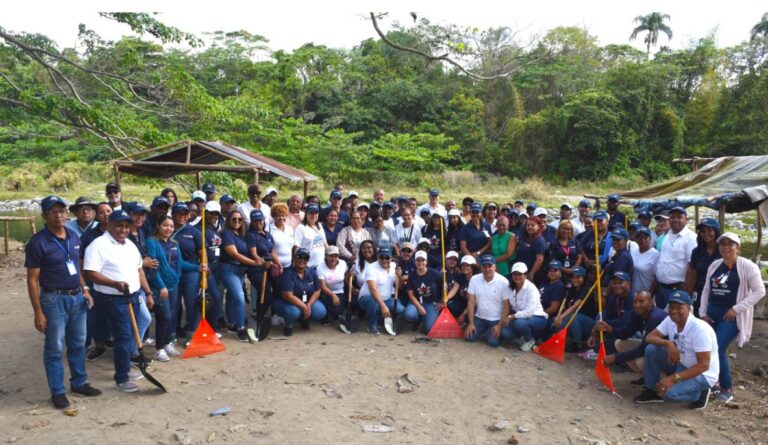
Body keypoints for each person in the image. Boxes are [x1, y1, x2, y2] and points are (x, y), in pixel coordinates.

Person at [25, 195, 102, 409]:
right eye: (53, 211)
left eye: (62, 210)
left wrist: (85, 289)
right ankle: (57, 391)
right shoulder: (37, 242)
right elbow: (32, 280)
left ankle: (78, 382)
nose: (59, 215)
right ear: (44, 216)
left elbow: (76, 267)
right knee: (54, 347)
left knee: (78, 343)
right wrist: (38, 312)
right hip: (53, 299)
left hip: (76, 296)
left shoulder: (73, 236)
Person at [83, 209, 154, 393]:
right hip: (112, 298)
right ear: (109, 225)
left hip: (133, 295)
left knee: (130, 334)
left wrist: (147, 292)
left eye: (126, 226)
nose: (123, 229)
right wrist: (114, 283)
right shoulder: (98, 245)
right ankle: (121, 378)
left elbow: (139, 270)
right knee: (123, 337)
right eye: (118, 225)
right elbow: (90, 272)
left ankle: (125, 368)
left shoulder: (130, 245)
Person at [699, 232, 765, 403]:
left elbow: (759, 291)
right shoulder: (715, 265)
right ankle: (712, 382)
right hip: (712, 313)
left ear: (738, 248)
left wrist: (737, 308)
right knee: (707, 347)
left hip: (731, 316)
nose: (726, 247)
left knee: (718, 348)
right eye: (723, 244)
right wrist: (703, 313)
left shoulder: (748, 267)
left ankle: (726, 388)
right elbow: (707, 290)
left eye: (730, 244)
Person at [634, 291, 719, 410]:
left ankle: (700, 392)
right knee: (652, 349)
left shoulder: (700, 329)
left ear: (689, 308)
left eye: (679, 307)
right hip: (682, 364)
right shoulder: (670, 320)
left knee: (668, 394)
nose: (674, 311)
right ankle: (652, 391)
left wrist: (672, 379)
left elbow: (704, 365)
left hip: (702, 374)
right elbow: (649, 337)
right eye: (672, 307)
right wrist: (668, 343)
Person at [145, 216, 205, 361]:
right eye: (165, 225)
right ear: (158, 225)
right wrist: (161, 286)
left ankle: (166, 344)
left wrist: (197, 267)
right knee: (164, 316)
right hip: (160, 286)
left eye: (171, 226)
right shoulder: (151, 242)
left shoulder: (174, 243)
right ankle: (159, 349)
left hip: (174, 285)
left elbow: (181, 263)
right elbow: (154, 267)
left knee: (171, 315)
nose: (169, 229)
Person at [596, 290, 666, 377]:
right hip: (648, 349)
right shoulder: (637, 313)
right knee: (619, 344)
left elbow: (642, 350)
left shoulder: (656, 317)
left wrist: (615, 357)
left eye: (641, 301)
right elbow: (625, 333)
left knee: (640, 361)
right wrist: (609, 329)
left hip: (665, 356)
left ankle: (661, 380)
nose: (637, 305)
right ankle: (647, 378)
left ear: (651, 302)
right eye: (634, 302)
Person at [219, 210, 259, 341]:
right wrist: (253, 262)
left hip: (239, 270)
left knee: (232, 298)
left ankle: (232, 323)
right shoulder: (226, 233)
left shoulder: (241, 235)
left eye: (239, 219)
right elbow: (234, 254)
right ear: (228, 220)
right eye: (234, 219)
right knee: (239, 297)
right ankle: (241, 329)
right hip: (228, 268)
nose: (237, 222)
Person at [80, 202, 112, 360]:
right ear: (96, 216)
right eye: (101, 212)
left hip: (115, 279)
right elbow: (81, 260)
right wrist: (84, 284)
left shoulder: (120, 231)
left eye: (108, 211)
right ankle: (99, 344)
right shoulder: (90, 235)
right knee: (95, 313)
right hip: (94, 278)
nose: (106, 214)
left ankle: (110, 340)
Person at [169, 202, 203, 340]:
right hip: (171, 272)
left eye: (185, 213)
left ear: (188, 215)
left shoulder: (194, 231)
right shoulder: (167, 229)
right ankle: (171, 333)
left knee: (191, 303)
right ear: (173, 214)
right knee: (173, 305)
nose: (182, 216)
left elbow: (202, 253)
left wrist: (204, 270)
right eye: (179, 213)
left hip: (191, 272)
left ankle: (192, 331)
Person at [652, 207, 697, 309]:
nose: (675, 220)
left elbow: (692, 269)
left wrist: (686, 296)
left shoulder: (691, 238)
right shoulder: (667, 236)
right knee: (662, 322)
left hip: (677, 291)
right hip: (661, 289)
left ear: (686, 219)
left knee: (675, 322)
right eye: (672, 217)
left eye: (679, 217)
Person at [274, 248, 327, 336]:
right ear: (294, 258)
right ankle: (288, 325)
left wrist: (309, 304)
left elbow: (318, 290)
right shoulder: (288, 274)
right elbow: (288, 296)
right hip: (287, 302)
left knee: (320, 312)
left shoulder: (312, 272)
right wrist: (304, 307)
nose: (302, 260)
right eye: (299, 257)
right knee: (294, 312)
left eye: (305, 258)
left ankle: (303, 319)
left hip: (305, 300)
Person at [464, 254, 510, 347]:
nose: (487, 269)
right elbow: (471, 302)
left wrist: (499, 325)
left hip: (496, 319)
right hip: (479, 317)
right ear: (480, 267)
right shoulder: (474, 279)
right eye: (484, 266)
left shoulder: (504, 282)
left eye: (490, 266)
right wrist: (471, 323)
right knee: (469, 337)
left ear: (495, 267)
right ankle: (484, 331)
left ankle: (491, 332)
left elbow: (507, 306)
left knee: (492, 342)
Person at [500, 262, 548, 351]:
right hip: (519, 317)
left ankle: (530, 340)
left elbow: (529, 312)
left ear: (525, 274)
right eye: (515, 274)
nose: (517, 276)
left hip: (537, 317)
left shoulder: (531, 289)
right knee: (505, 333)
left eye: (520, 274)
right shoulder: (510, 287)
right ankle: (524, 336)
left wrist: (510, 317)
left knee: (519, 323)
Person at [358, 246, 403, 335]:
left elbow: (400, 287)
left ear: (391, 258)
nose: (384, 260)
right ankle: (372, 325)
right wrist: (383, 306)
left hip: (387, 298)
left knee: (401, 310)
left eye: (387, 257)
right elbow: (372, 289)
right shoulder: (371, 268)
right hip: (368, 298)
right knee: (372, 302)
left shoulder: (394, 266)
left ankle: (379, 318)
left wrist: (399, 276)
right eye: (381, 257)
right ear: (378, 257)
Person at [552, 267, 596, 353]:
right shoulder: (571, 288)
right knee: (556, 324)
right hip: (574, 320)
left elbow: (576, 306)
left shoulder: (587, 289)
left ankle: (577, 344)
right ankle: (557, 341)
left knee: (572, 317)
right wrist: (558, 318)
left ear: (584, 277)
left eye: (578, 277)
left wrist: (561, 316)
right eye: (573, 277)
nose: (575, 279)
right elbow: (566, 305)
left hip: (588, 323)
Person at [684, 218, 721, 316]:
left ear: (716, 232)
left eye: (709, 230)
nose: (706, 234)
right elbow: (692, 277)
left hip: (718, 293)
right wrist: (687, 298)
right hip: (699, 292)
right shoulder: (697, 251)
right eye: (703, 231)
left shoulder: (723, 250)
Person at [246, 210, 279, 315]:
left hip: (269, 268)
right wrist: (264, 262)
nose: (258, 223)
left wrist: (278, 262)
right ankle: (259, 315)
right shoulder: (250, 235)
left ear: (264, 220)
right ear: (251, 222)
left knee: (268, 293)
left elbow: (272, 250)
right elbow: (254, 254)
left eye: (260, 220)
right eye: (255, 221)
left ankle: (262, 314)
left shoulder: (267, 234)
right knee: (266, 293)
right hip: (257, 270)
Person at [404, 251, 443, 333]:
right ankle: (418, 320)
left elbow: (444, 286)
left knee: (428, 329)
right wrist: (419, 307)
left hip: (431, 302)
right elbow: (411, 295)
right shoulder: (412, 276)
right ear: (414, 262)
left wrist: (442, 300)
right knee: (409, 315)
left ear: (426, 261)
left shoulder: (435, 273)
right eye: (418, 260)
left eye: (423, 260)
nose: (420, 262)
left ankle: (426, 319)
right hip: (416, 301)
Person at [316, 246, 349, 326]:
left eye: (336, 256)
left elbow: (346, 276)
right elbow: (323, 287)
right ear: (326, 256)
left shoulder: (343, 264)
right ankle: (325, 315)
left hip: (340, 291)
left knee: (336, 314)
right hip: (326, 292)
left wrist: (351, 284)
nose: (333, 258)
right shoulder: (320, 267)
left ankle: (335, 312)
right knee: (324, 298)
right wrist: (333, 296)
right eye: (331, 256)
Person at [293, 203, 328, 269]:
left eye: (316, 213)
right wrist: (298, 264)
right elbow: (296, 248)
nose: (314, 215)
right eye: (311, 213)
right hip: (308, 266)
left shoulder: (319, 226)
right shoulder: (301, 228)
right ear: (306, 214)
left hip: (322, 266)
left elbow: (325, 243)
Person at [446, 255, 478, 322]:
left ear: (473, 267)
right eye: (463, 265)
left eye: (468, 265)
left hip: (474, 305)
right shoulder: (461, 276)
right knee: (450, 305)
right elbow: (454, 289)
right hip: (463, 302)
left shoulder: (477, 279)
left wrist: (464, 313)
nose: (465, 267)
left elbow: (475, 301)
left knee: (472, 312)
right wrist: (446, 299)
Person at [516, 216, 547, 284]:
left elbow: (539, 259)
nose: (530, 227)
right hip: (521, 271)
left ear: (538, 226)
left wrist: (531, 273)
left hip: (531, 274)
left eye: (533, 225)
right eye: (528, 225)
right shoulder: (524, 238)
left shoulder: (539, 240)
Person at [630, 227, 659, 297]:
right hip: (632, 292)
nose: (642, 240)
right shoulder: (633, 252)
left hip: (646, 293)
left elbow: (657, 277)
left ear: (650, 239)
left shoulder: (656, 254)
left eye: (645, 238)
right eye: (640, 238)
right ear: (636, 239)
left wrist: (650, 294)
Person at [539, 261, 566, 332]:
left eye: (555, 271)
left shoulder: (559, 286)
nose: (552, 273)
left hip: (546, 316)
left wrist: (538, 314)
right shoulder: (544, 282)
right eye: (550, 271)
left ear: (560, 272)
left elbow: (553, 309)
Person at [268, 203, 295, 270]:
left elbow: (293, 247)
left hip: (289, 266)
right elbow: (269, 249)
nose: (281, 218)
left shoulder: (290, 229)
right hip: (275, 267)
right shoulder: (268, 229)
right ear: (273, 216)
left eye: (283, 215)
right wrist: (278, 264)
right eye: (278, 216)